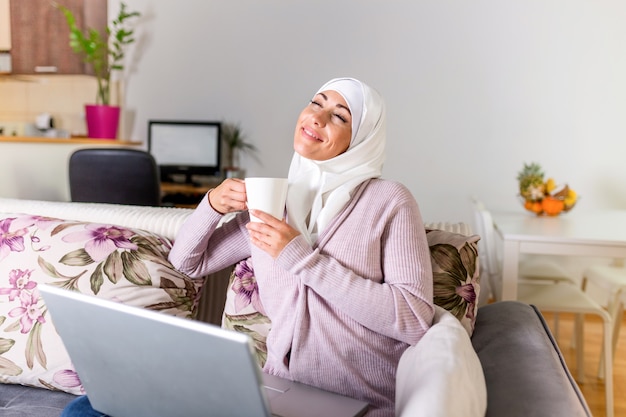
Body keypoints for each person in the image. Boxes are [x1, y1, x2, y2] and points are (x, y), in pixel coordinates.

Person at [60, 77, 434, 417]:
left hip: (355, 403)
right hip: (278, 394)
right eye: (315, 103)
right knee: (91, 407)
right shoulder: (274, 202)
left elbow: (414, 320)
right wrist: (211, 206)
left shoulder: (390, 201)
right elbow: (188, 263)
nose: (317, 117)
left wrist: (301, 257)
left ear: (362, 138)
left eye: (339, 116)